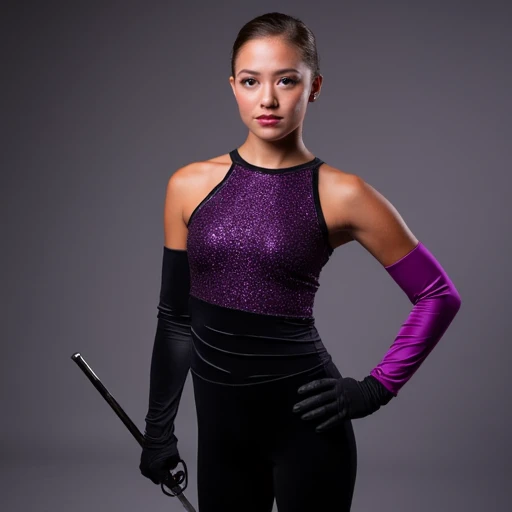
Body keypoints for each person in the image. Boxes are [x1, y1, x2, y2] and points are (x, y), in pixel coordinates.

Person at [139, 11, 462, 512]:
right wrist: (157, 431)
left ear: (313, 87)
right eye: (251, 81)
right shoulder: (188, 185)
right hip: (220, 440)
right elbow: (176, 319)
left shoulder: (343, 193)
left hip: (307, 433)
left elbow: (438, 295)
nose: (267, 99)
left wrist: (373, 391)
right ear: (233, 86)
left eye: (286, 80)